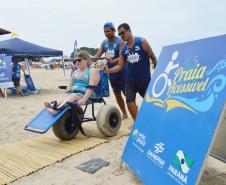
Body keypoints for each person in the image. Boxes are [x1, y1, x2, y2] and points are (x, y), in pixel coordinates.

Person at [105, 23, 157, 121]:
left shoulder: (141, 41)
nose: (121, 35)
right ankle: (137, 124)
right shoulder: (123, 49)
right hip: (130, 81)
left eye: (123, 33)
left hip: (144, 80)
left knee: (151, 103)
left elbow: (153, 58)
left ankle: (154, 120)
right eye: (119, 34)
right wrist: (108, 70)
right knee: (129, 102)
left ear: (129, 30)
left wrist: (157, 69)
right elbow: (120, 65)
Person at [45, 50, 100, 115]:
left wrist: (84, 99)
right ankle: (54, 105)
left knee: (73, 96)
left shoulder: (92, 71)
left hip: (87, 94)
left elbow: (91, 87)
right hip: (74, 92)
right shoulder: (75, 72)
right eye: (75, 61)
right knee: (66, 97)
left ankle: (56, 111)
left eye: (79, 60)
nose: (77, 62)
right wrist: (67, 91)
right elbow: (70, 85)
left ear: (86, 60)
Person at [95, 22, 128, 119]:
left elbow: (123, 56)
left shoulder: (120, 41)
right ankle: (125, 113)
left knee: (128, 95)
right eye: (105, 32)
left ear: (114, 30)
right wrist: (88, 59)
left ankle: (136, 114)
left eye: (108, 31)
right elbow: (97, 55)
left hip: (123, 72)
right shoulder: (104, 43)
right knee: (117, 95)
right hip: (112, 73)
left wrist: (113, 60)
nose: (106, 33)